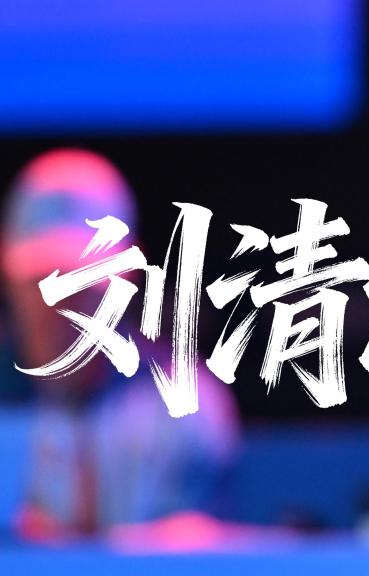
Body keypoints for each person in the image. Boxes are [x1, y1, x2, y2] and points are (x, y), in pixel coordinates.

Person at [0, 148, 239, 540]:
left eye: (84, 283)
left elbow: (190, 554)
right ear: (7, 276)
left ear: (129, 274)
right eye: (39, 282)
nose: (59, 308)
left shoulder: (184, 403)